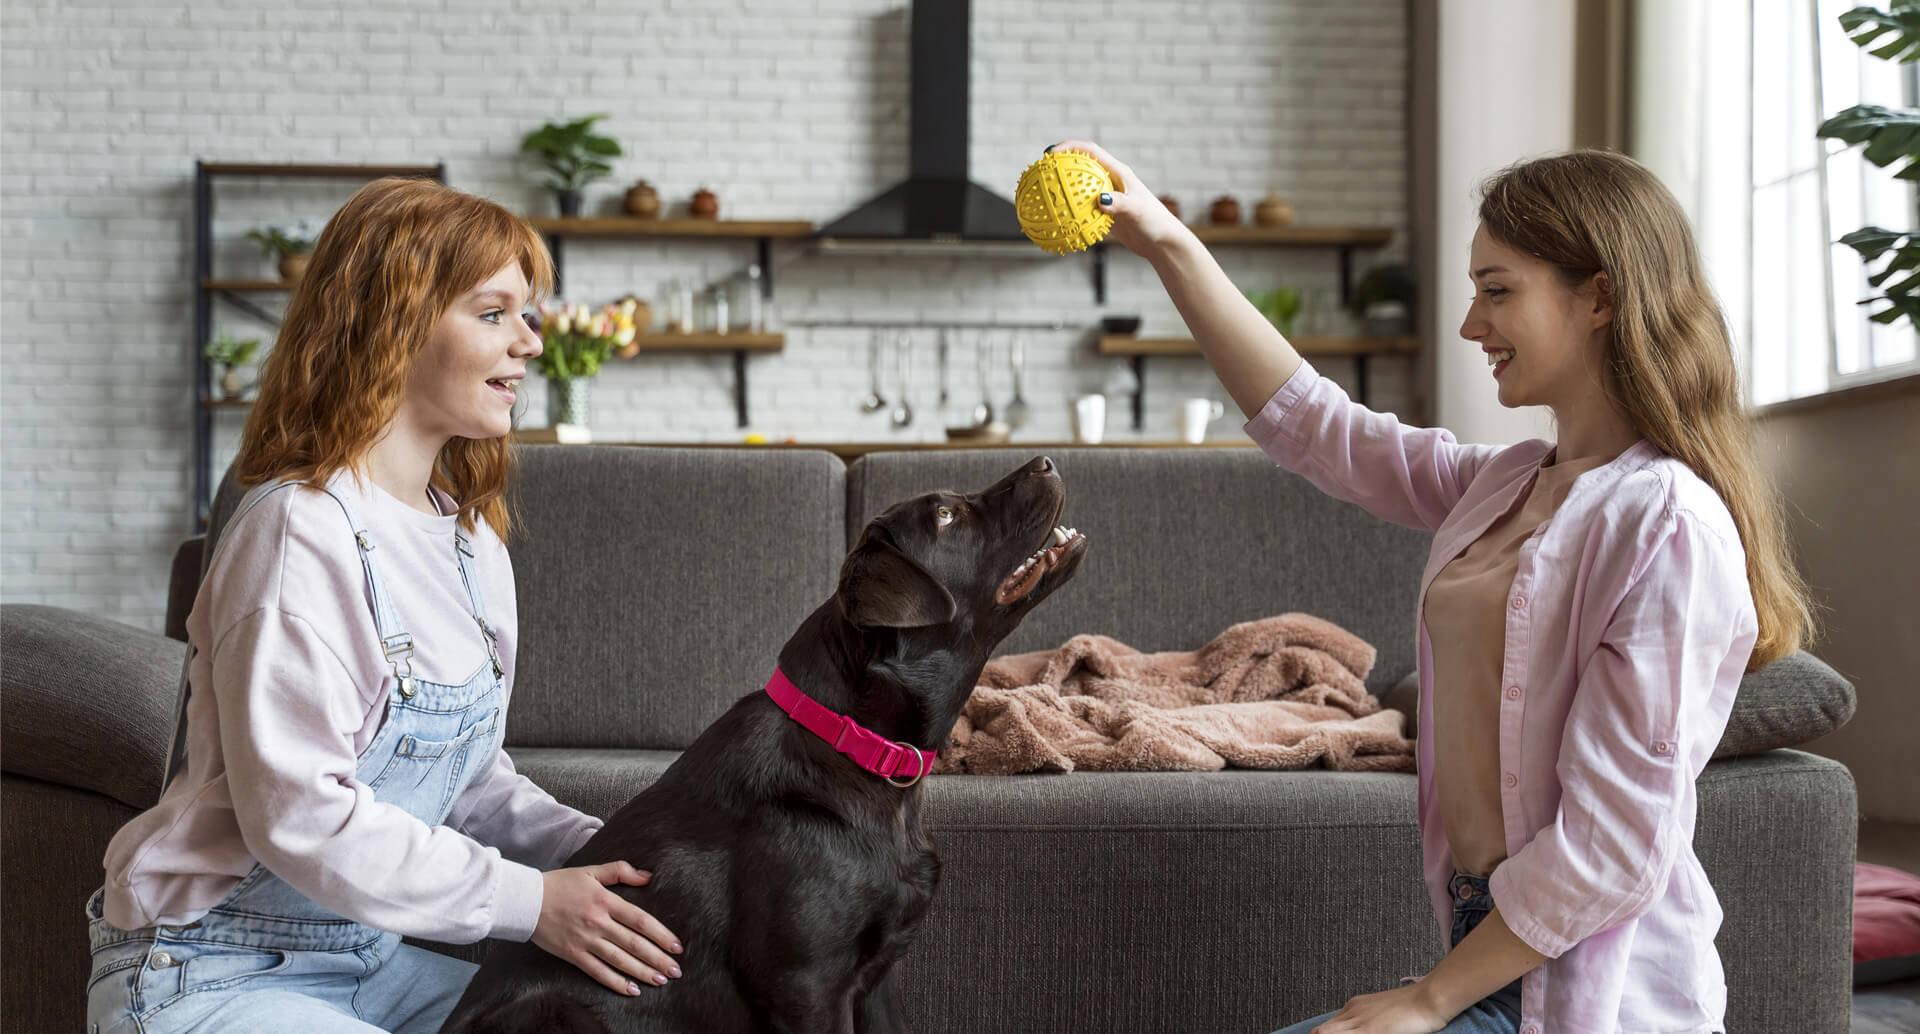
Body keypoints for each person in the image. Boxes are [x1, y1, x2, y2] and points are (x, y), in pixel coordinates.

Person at [1052, 140, 1812, 1034]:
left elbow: (1615, 846)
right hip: (1481, 943)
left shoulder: (1664, 523)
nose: (1469, 324)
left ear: (1600, 296)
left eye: (1498, 291)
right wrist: (1168, 243)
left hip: (1590, 995)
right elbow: (1319, 428)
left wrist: (1430, 997)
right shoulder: (1510, 481)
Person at [85, 177, 685, 1033]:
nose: (529, 341)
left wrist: (626, 850)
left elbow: (467, 782)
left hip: (371, 962)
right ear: (395, 325)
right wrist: (533, 904)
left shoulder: (472, 542)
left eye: (529, 314)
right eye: (493, 313)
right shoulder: (298, 530)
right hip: (214, 971)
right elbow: (299, 815)